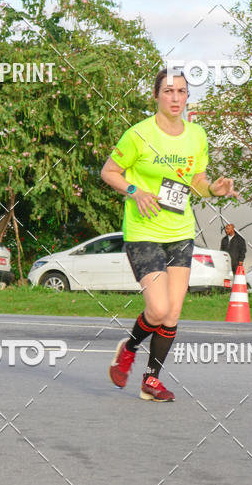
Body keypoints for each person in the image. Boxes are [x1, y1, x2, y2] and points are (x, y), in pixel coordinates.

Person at [101, 68, 237, 401]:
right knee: (158, 309)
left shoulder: (197, 135)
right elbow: (109, 171)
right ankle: (129, 348)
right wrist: (135, 190)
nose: (175, 98)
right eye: (168, 91)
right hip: (143, 230)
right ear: (156, 95)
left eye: (181, 92)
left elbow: (197, 183)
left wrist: (215, 189)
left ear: (187, 96)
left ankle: (151, 380)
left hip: (180, 231)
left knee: (173, 313)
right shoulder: (138, 134)